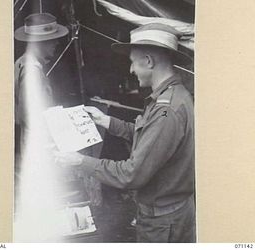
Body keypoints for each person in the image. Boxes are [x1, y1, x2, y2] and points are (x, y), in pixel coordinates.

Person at [54, 23, 195, 243]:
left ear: (148, 61)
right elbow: (149, 137)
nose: (130, 70)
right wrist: (107, 121)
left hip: (163, 223)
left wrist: (80, 161)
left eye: (132, 63)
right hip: (170, 214)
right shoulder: (172, 96)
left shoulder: (166, 111)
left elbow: (130, 174)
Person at [14, 13, 68, 242]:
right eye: (53, 39)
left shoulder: (21, 63)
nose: (56, 43)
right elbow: (33, 117)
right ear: (40, 42)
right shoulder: (32, 71)